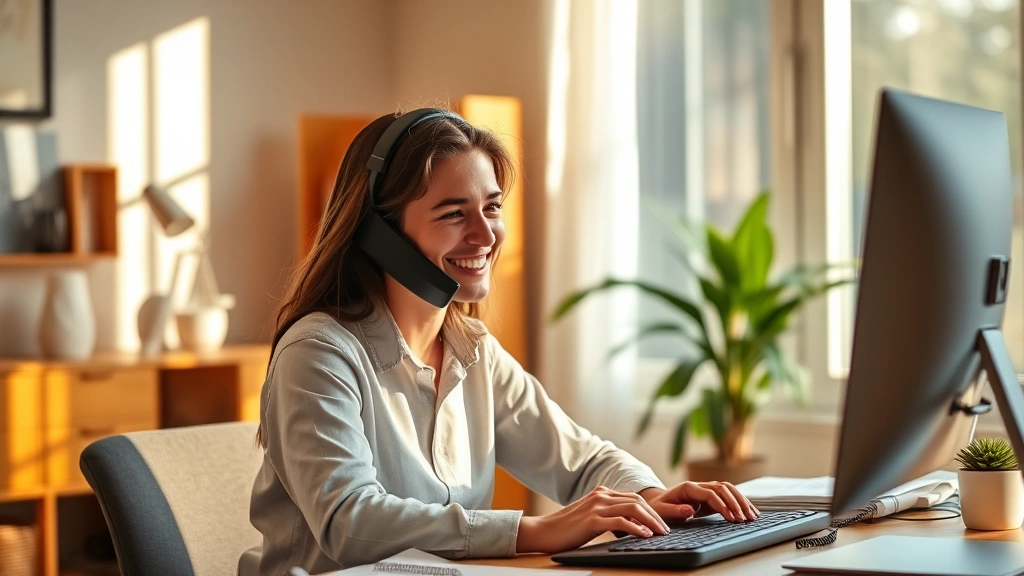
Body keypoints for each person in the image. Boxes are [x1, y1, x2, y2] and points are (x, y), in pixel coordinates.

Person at [240, 108, 759, 576]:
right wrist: (532, 531)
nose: (486, 236)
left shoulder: (473, 350)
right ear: (380, 233)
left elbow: (580, 461)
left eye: (491, 207)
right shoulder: (319, 355)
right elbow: (349, 522)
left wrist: (651, 497)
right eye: (453, 213)